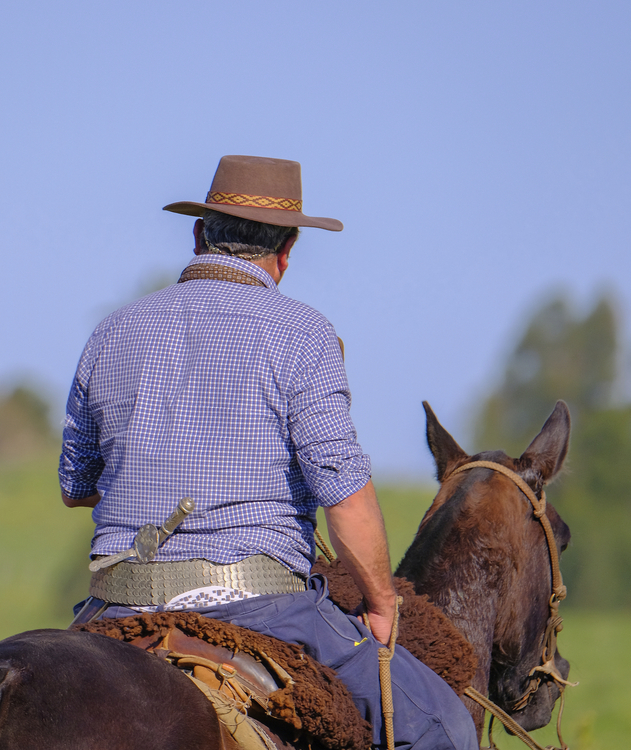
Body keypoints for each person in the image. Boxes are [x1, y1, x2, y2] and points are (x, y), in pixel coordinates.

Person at [59, 155, 478, 749]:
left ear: (199, 232)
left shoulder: (113, 331)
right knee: (444, 728)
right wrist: (382, 604)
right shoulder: (301, 333)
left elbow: (76, 485)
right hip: (259, 607)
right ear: (287, 251)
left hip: (115, 605)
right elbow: (345, 495)